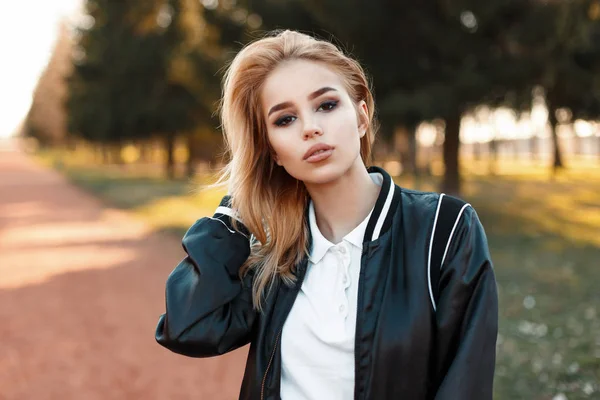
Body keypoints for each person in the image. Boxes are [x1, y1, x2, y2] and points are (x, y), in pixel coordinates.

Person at [155, 30, 498, 400]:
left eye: (327, 105)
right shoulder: (273, 254)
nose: (311, 128)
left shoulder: (444, 230)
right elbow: (190, 327)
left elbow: (465, 383)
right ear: (271, 151)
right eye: (285, 120)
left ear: (362, 116)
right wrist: (236, 211)